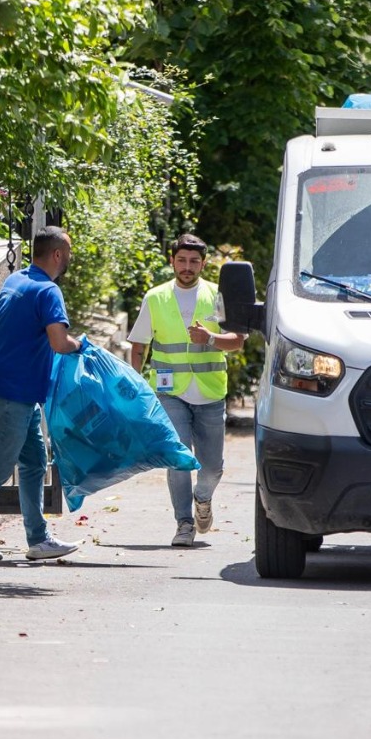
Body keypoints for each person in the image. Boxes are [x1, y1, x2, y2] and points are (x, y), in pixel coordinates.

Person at [0, 225, 84, 562]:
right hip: (10, 394)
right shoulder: (48, 291)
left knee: (33, 463)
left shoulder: (16, 279)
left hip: (7, 389)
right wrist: (81, 345)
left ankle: (38, 539)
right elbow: (60, 343)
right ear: (58, 254)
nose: (69, 259)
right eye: (68, 253)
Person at [127, 234, 247, 547]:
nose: (187, 266)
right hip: (169, 392)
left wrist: (209, 338)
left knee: (211, 467)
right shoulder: (155, 297)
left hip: (209, 392)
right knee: (177, 458)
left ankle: (202, 499)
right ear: (172, 261)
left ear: (203, 264)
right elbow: (139, 345)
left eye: (194, 261)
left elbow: (237, 341)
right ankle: (183, 524)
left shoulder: (217, 296)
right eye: (182, 260)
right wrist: (138, 386)